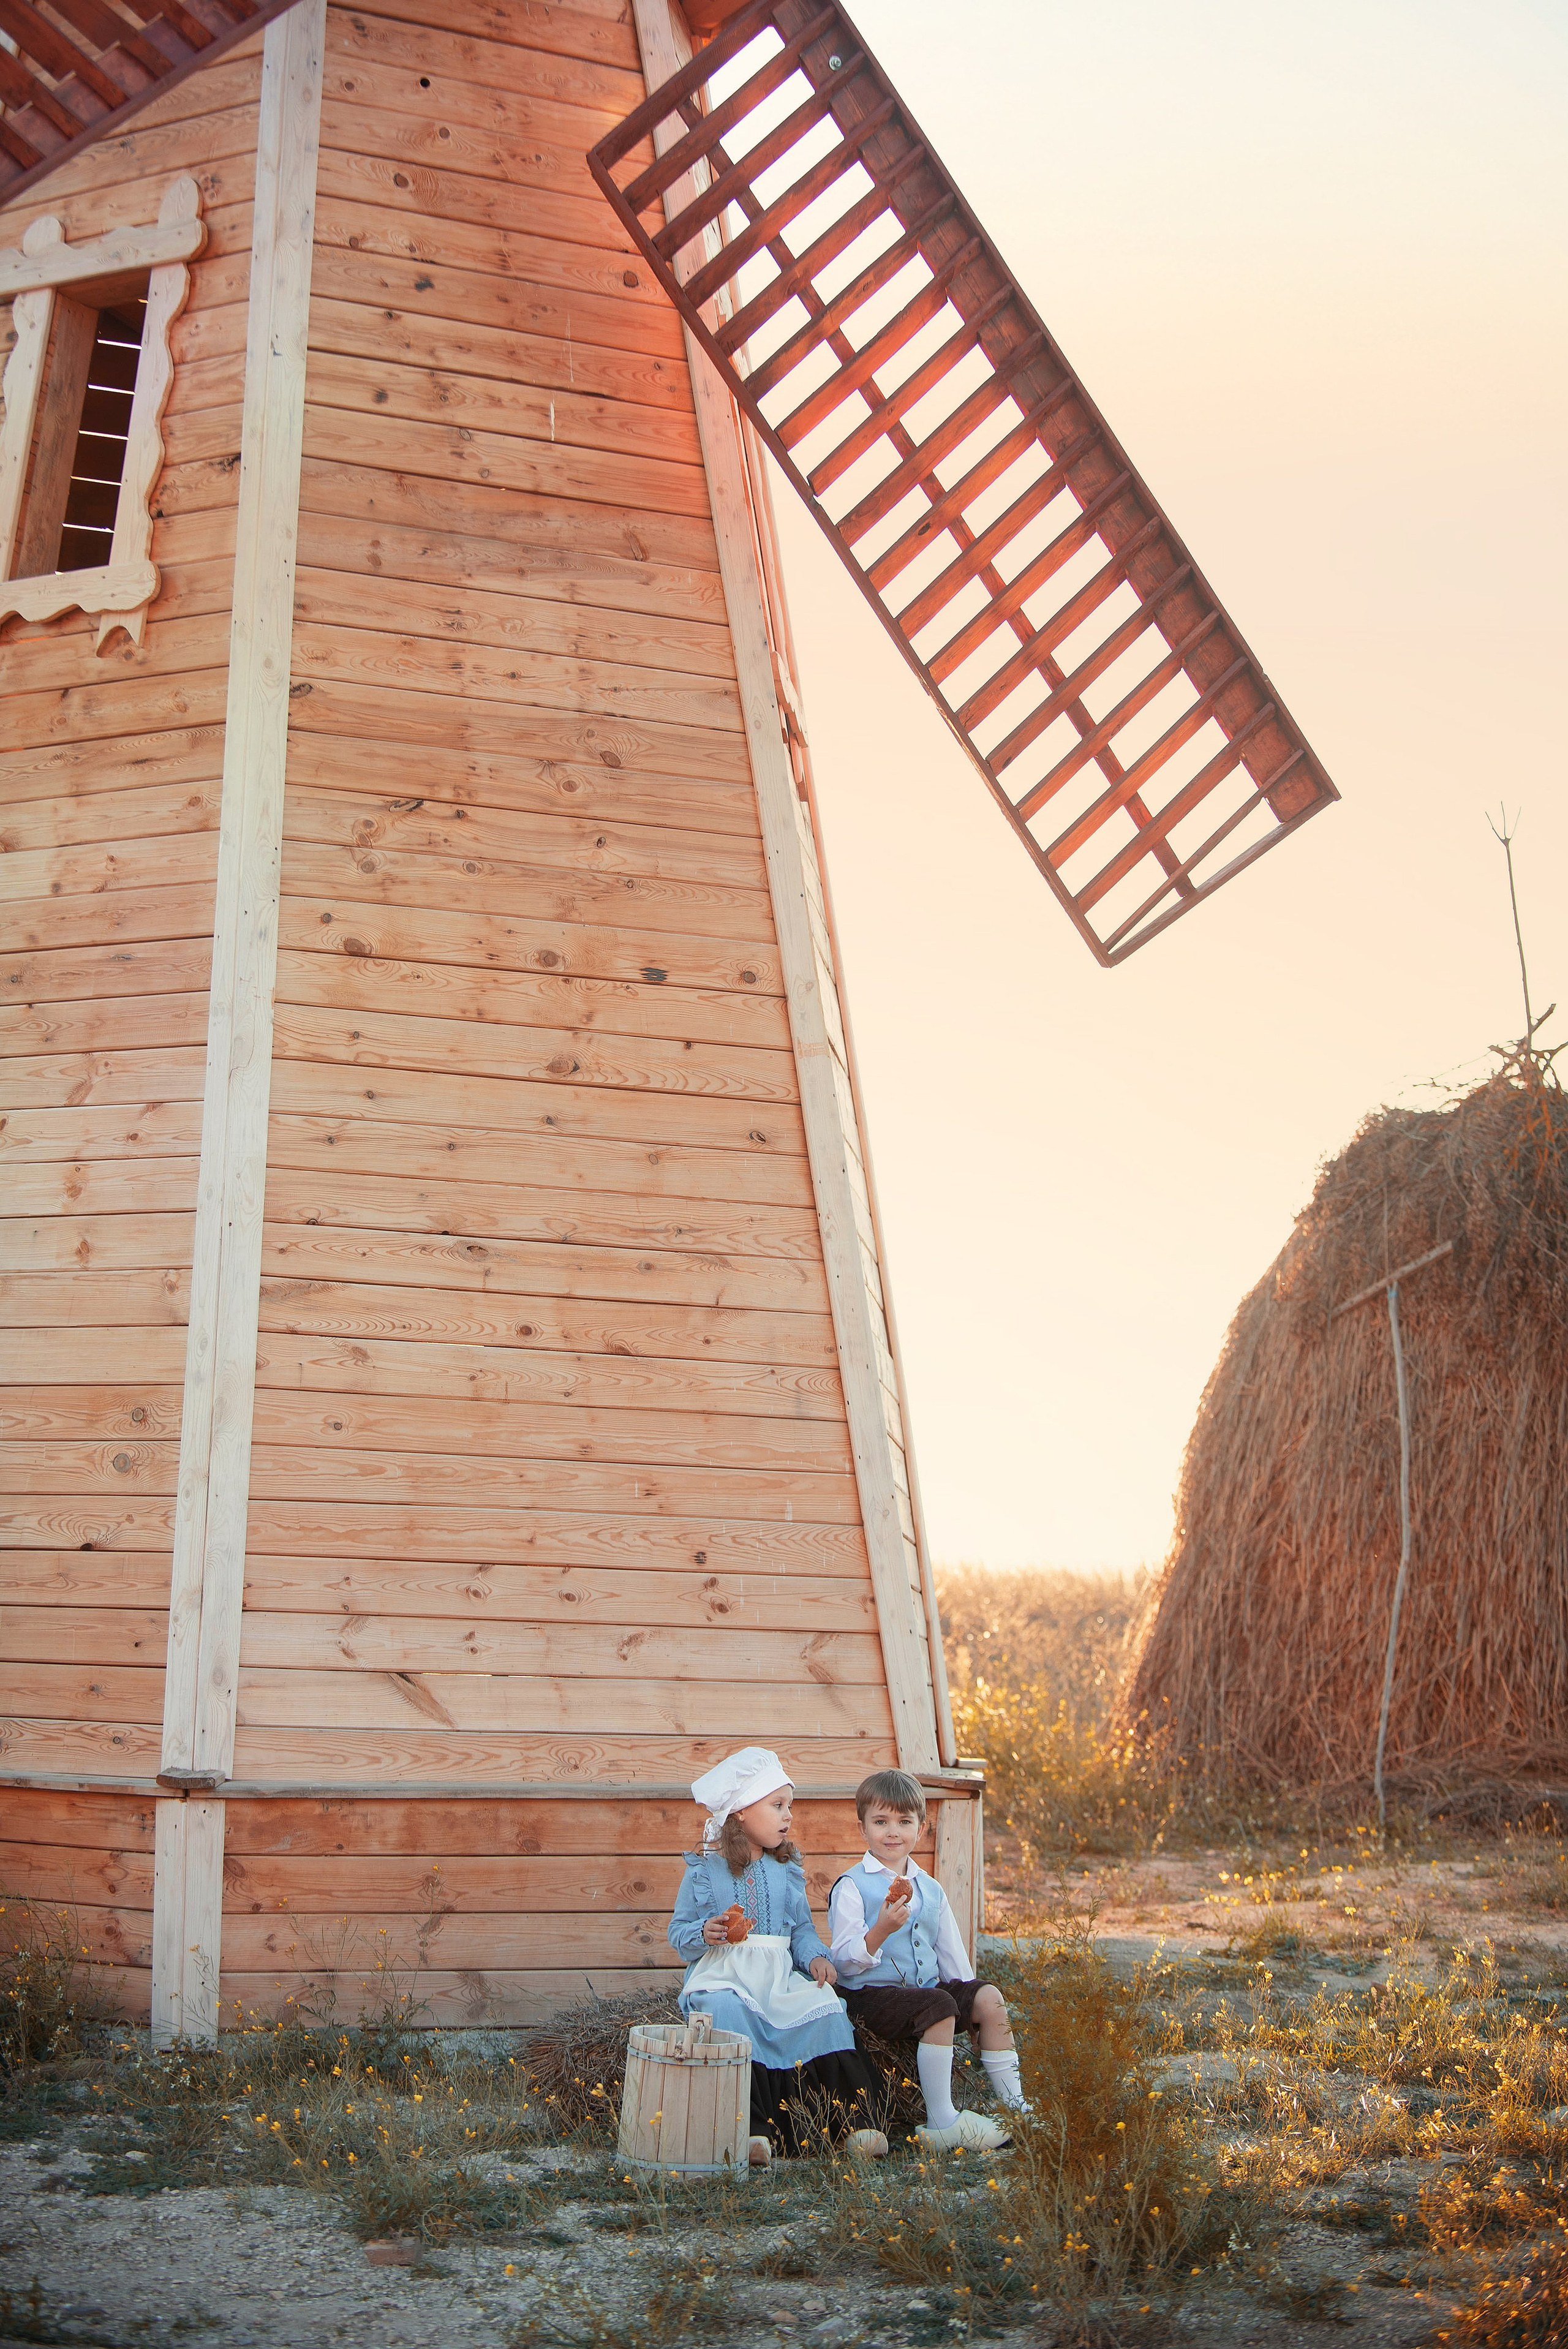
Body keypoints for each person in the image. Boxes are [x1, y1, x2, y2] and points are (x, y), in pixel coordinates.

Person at [668, 1746, 886, 2160]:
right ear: (742, 1812)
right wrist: (705, 1931)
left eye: (790, 1806)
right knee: (726, 2011)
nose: (789, 1815)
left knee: (825, 2003)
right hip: (725, 1973)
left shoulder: (787, 1868)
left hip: (777, 1973)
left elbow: (801, 1928)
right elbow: (678, 1932)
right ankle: (751, 2130)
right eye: (778, 1805)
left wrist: (816, 1957)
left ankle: (854, 2126)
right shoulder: (705, 1868)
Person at [828, 1768, 1025, 2152]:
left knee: (988, 1997)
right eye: (880, 1822)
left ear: (920, 1829)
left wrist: (971, 2003)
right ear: (862, 1829)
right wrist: (881, 1931)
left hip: (925, 1992)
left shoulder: (930, 1888)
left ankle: (1016, 2107)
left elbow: (950, 1953)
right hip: (869, 1994)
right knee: (938, 2004)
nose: (892, 1832)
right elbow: (844, 1962)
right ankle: (941, 2119)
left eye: (904, 1822)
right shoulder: (852, 1885)